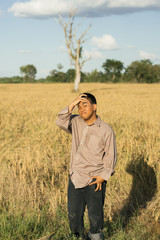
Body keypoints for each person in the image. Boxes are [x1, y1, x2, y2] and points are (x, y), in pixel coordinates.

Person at [56, 93, 117, 240]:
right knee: (73, 212)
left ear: (94, 107)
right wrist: (72, 103)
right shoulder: (76, 122)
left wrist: (103, 176)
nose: (81, 108)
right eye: (79, 106)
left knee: (95, 213)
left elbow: (111, 154)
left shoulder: (105, 130)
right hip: (76, 176)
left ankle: (95, 235)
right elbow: (60, 121)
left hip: (94, 178)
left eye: (85, 105)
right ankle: (76, 236)